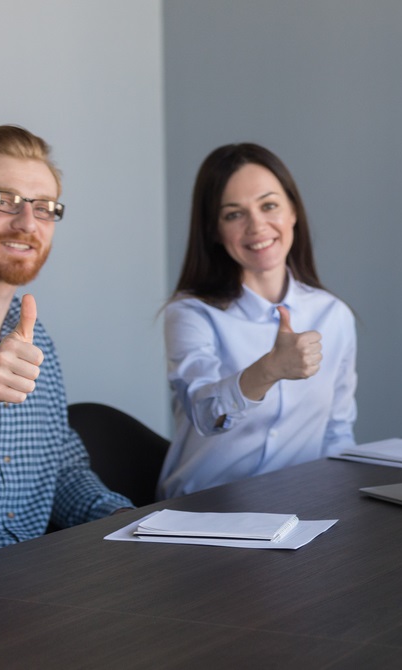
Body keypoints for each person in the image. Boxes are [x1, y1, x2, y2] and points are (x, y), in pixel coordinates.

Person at [0, 125, 132, 573]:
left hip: (28, 582)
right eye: (3, 201)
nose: (27, 223)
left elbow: (59, 465)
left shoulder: (35, 336)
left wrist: (123, 518)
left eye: (44, 208)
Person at [158, 143, 356, 499]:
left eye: (269, 206)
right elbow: (205, 413)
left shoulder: (334, 315)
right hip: (205, 513)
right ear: (215, 230)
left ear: (293, 211)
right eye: (234, 214)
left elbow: (337, 434)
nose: (257, 226)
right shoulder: (190, 313)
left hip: (305, 511)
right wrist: (268, 370)